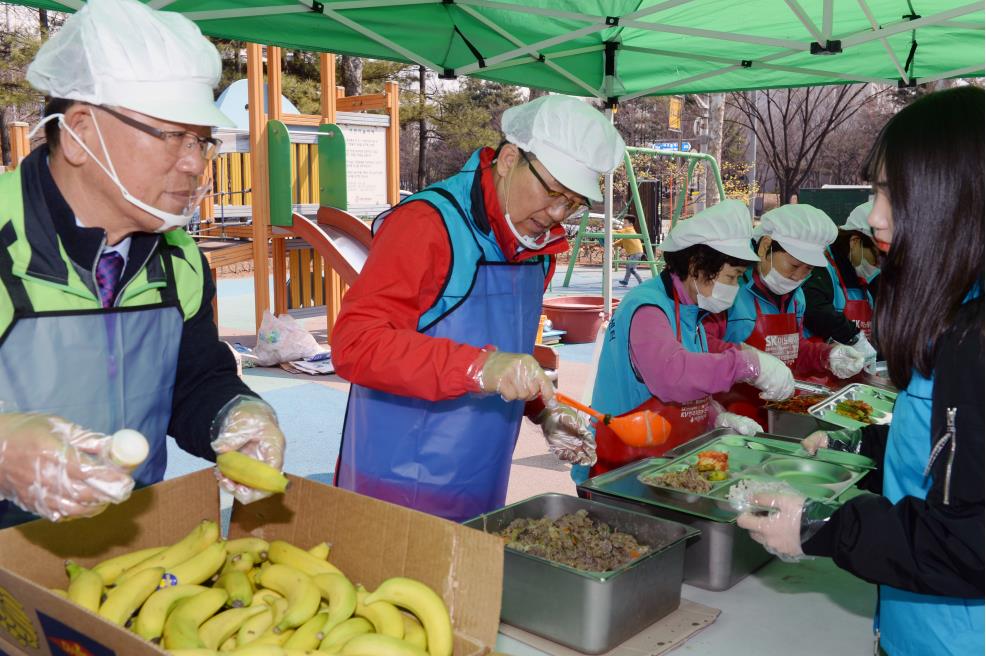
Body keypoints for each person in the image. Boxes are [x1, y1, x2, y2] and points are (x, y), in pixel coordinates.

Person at [0, 0, 286, 527]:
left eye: (202, 141)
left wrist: (233, 413)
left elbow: (192, 381)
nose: (195, 164)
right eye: (172, 135)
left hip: (125, 555)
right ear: (82, 132)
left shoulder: (181, 262)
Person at [737, 86, 984, 656]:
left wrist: (822, 526)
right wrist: (864, 448)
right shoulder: (959, 314)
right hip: (915, 621)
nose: (874, 215)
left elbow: (973, 540)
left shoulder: (976, 341)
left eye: (893, 193)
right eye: (876, 190)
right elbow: (946, 450)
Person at [331, 95, 625, 521]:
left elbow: (508, 351)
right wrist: (479, 368)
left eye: (574, 203)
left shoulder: (538, 248)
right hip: (397, 477)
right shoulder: (426, 225)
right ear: (509, 159)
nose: (557, 213)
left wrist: (542, 409)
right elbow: (355, 344)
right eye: (554, 192)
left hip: (482, 475)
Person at [572, 200, 795, 481]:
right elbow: (672, 375)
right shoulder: (648, 307)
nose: (735, 288)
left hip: (660, 463)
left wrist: (715, 417)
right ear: (696, 265)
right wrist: (746, 365)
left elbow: (692, 384)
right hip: (621, 467)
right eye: (732, 276)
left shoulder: (692, 311)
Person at [705, 204, 866, 424]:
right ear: (765, 247)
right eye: (794, 265)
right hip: (732, 417)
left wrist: (827, 355)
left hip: (778, 415)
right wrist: (751, 363)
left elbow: (792, 349)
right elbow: (700, 346)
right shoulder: (729, 289)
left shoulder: (796, 297)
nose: (798, 276)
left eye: (808, 269)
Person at [803, 200, 880, 368]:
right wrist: (854, 338)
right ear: (855, 242)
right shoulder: (820, 266)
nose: (879, 265)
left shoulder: (866, 274)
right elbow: (816, 310)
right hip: (820, 374)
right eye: (877, 257)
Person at [615, 216, 644, 286]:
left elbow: (618, 232)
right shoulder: (627, 232)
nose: (623, 224)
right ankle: (625, 281)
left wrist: (608, 231)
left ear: (631, 224)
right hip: (634, 253)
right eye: (623, 222)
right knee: (628, 267)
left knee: (632, 269)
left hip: (636, 252)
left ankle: (642, 283)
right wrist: (613, 244)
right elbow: (622, 241)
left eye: (625, 223)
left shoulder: (629, 230)